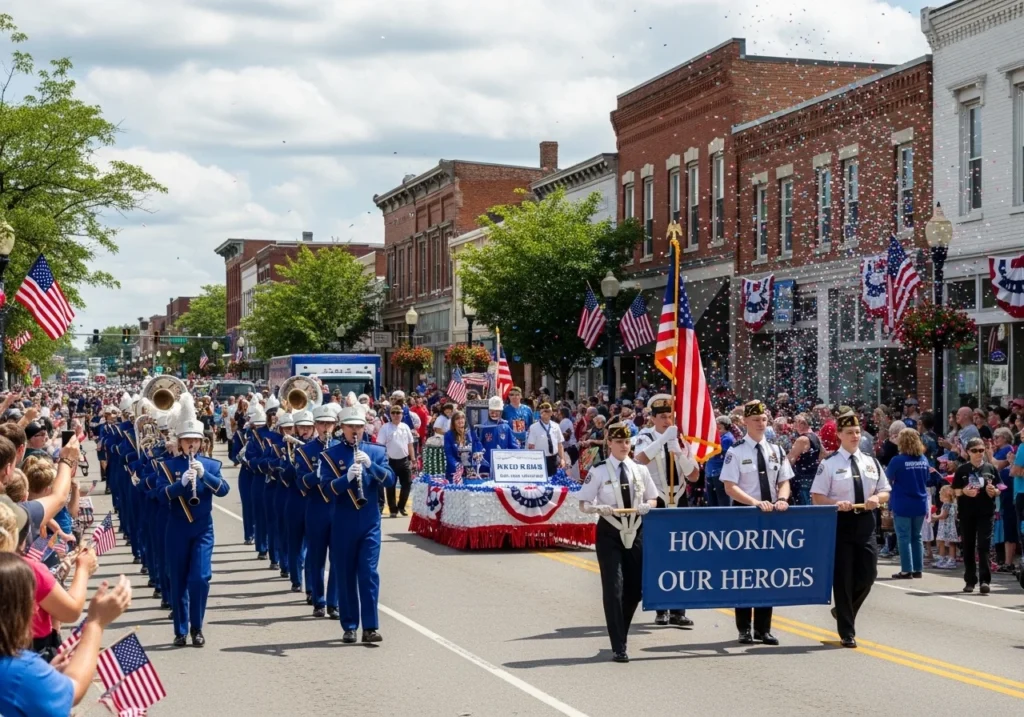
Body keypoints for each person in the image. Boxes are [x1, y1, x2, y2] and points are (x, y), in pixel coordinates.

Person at [0, 552, 133, 717]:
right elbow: (73, 689)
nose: (35, 609)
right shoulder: (19, 670)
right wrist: (95, 623)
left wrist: (47, 672)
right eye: (29, 601)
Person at [574, 421, 659, 663]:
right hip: (610, 532)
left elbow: (653, 498)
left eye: (627, 441)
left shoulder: (639, 470)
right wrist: (597, 508)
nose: (624, 445)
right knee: (614, 588)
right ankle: (618, 644)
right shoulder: (599, 471)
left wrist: (648, 506)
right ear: (609, 443)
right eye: (619, 441)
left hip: (636, 530)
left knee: (634, 590)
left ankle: (620, 629)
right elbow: (583, 503)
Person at [812, 411, 891, 648]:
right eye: (849, 433)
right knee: (844, 577)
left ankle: (844, 610)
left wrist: (878, 498)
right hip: (841, 523)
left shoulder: (871, 461)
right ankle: (847, 630)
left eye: (857, 432)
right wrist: (835, 504)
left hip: (865, 521)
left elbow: (885, 489)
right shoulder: (829, 464)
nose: (855, 436)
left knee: (868, 575)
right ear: (839, 435)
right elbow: (817, 497)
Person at [155, 402, 231, 647]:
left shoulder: (210, 465)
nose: (191, 445)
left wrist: (203, 476)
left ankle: (197, 627)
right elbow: (159, 494)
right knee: (177, 579)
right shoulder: (167, 466)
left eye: (195, 441)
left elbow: (224, 491)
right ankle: (180, 630)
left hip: (202, 528)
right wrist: (180, 485)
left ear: (201, 442)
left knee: (200, 577)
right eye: (186, 440)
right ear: (179, 442)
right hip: (176, 527)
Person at [719, 400, 794, 646]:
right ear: (745, 422)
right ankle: (744, 627)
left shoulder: (777, 450)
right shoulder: (736, 451)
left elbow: (784, 480)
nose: (761, 424)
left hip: (771, 514)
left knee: (768, 572)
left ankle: (764, 628)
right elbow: (730, 487)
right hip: (746, 514)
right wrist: (754, 502)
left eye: (764, 420)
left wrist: (782, 498)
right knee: (745, 571)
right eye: (756, 420)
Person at [318, 405, 395, 643]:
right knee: (346, 574)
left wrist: (372, 466)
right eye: (351, 426)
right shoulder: (330, 455)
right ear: (342, 427)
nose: (355, 430)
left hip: (370, 523)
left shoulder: (376, 451)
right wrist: (347, 478)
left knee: (369, 573)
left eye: (359, 426)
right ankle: (350, 625)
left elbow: (391, 480)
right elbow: (325, 491)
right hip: (343, 523)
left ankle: (370, 627)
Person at [633, 394, 699, 627]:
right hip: (656, 499)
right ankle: (660, 607)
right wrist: (661, 442)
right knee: (657, 554)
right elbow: (638, 460)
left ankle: (679, 609)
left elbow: (694, 475)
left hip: (679, 499)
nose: (667, 420)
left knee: (680, 555)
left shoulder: (680, 440)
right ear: (652, 417)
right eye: (662, 416)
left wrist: (679, 453)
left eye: (670, 416)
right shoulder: (644, 437)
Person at [298, 403, 340, 618]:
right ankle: (318, 600)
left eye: (329, 423)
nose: (326, 427)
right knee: (316, 557)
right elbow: (301, 483)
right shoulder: (305, 451)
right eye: (322, 423)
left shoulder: (341, 448)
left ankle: (333, 601)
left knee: (338, 557)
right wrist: (316, 474)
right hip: (315, 508)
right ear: (315, 425)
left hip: (338, 509)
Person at [952, 437, 999, 595]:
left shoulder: (990, 468)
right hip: (967, 512)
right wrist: (964, 492)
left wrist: (995, 491)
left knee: (984, 546)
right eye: (975, 451)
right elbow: (955, 491)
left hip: (986, 512)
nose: (979, 453)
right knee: (968, 546)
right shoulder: (962, 470)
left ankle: (985, 581)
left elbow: (1000, 486)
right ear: (968, 452)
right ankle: (970, 580)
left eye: (981, 450)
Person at [885, 428, 930, 579]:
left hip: (903, 501)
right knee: (916, 536)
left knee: (903, 536)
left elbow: (888, 479)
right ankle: (918, 569)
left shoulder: (897, 460)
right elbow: (927, 479)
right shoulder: (923, 459)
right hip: (920, 501)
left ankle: (906, 569)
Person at [376, 404, 416, 516]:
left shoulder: (405, 427)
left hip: (404, 460)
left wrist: (413, 459)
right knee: (390, 485)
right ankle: (393, 510)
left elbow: (410, 444)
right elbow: (380, 445)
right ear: (390, 415)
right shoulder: (385, 428)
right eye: (393, 413)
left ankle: (401, 506)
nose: (396, 415)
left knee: (407, 483)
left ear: (402, 414)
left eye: (398, 413)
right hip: (390, 461)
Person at [787, 413, 822, 507]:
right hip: (813, 478)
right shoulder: (815, 437)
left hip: (802, 481)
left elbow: (790, 460)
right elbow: (823, 456)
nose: (793, 425)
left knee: (803, 509)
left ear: (801, 424)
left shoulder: (802, 439)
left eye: (795, 422)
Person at [477, 396, 520, 471]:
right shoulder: (483, 427)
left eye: (496, 411)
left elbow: (513, 446)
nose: (494, 414)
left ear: (500, 412)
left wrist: (518, 458)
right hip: (486, 466)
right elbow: (477, 445)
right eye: (491, 411)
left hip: (502, 466)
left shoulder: (506, 427)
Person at [527, 403, 568, 477]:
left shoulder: (556, 426)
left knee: (553, 483)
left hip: (553, 459)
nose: (545, 413)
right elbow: (531, 446)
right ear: (540, 413)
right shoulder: (533, 427)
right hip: (539, 460)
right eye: (543, 411)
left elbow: (560, 444)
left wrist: (562, 459)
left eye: (548, 411)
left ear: (552, 413)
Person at [444, 410, 485, 479]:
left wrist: (478, 452)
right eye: (457, 419)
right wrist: (457, 466)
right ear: (453, 422)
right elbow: (449, 454)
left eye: (462, 418)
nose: (460, 420)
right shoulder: (448, 435)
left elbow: (477, 443)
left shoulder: (471, 432)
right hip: (455, 472)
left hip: (471, 472)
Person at [932, 484, 959, 569]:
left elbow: (944, 516)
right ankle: (946, 559)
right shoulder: (953, 504)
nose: (939, 496)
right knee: (948, 543)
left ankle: (949, 560)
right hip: (950, 526)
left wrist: (934, 517)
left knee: (946, 543)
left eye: (941, 494)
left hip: (946, 527)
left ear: (946, 495)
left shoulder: (946, 504)